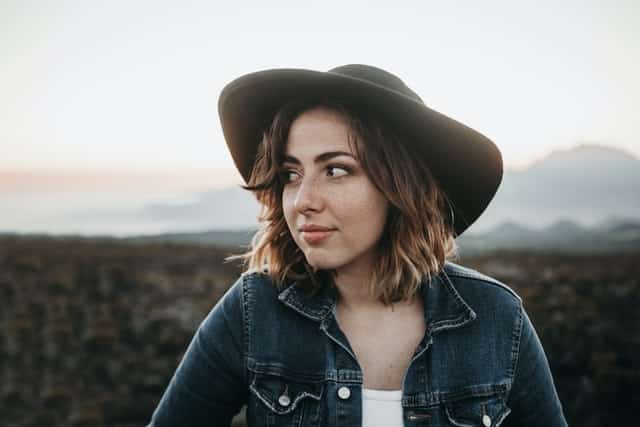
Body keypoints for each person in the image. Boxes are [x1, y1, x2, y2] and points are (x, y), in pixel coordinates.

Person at [148, 64, 568, 426]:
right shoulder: (255, 311)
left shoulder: (495, 319)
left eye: (335, 170)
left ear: (400, 187)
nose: (303, 201)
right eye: (291, 175)